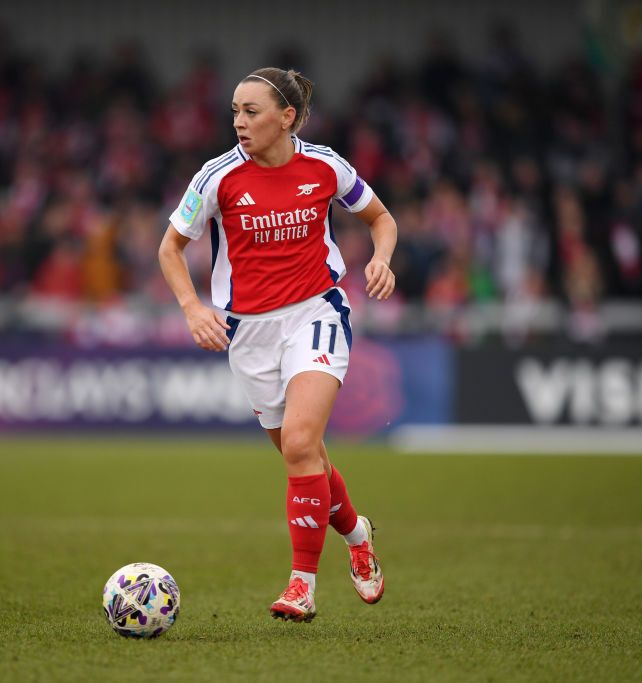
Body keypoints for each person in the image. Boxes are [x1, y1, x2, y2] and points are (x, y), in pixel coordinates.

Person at [158, 67, 397, 622]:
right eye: (235, 111)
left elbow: (381, 218)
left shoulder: (325, 165)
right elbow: (170, 249)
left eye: (251, 111)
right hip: (249, 335)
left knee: (299, 442)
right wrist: (194, 309)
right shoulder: (215, 178)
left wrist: (381, 258)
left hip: (318, 312)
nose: (239, 122)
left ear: (286, 117)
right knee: (303, 455)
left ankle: (301, 585)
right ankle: (358, 534)